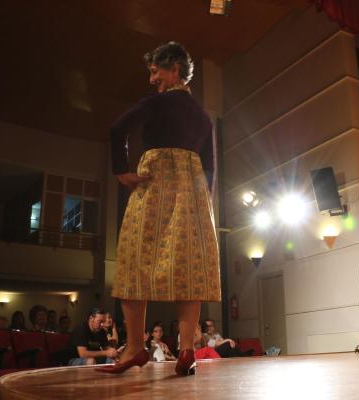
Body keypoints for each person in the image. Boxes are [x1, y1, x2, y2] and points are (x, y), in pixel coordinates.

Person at [96, 41, 220, 376]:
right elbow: (209, 167)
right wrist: (201, 202)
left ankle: (135, 348)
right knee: (189, 267)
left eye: (155, 71)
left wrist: (121, 171)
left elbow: (116, 129)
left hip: (153, 188)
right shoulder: (204, 118)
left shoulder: (156, 102)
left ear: (174, 69)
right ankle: (187, 351)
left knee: (135, 261)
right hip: (192, 198)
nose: (152, 79)